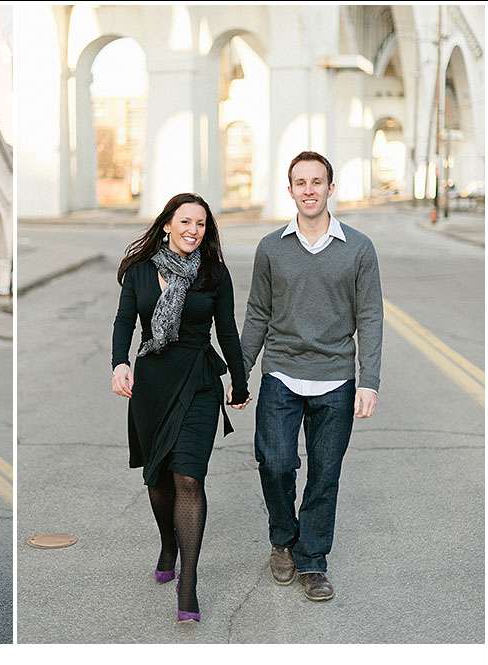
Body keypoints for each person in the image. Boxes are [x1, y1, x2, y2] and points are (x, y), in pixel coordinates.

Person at [240, 150, 383, 601]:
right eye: (299, 182)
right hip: (281, 373)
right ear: (290, 190)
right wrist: (240, 375)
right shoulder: (271, 248)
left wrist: (369, 380)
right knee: (276, 463)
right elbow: (258, 313)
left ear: (330, 188)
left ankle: (313, 561)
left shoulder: (358, 248)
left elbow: (371, 317)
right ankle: (283, 539)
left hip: (336, 378)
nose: (308, 190)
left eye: (316, 182)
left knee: (325, 475)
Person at [111, 192, 249, 623]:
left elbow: (226, 328)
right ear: (167, 224)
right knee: (158, 480)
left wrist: (240, 381)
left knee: (188, 477)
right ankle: (168, 544)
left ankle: (188, 581)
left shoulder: (213, 274)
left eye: (201, 224)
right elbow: (124, 322)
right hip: (152, 384)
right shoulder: (140, 271)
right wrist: (118, 363)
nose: (193, 230)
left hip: (199, 382)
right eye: (185, 222)